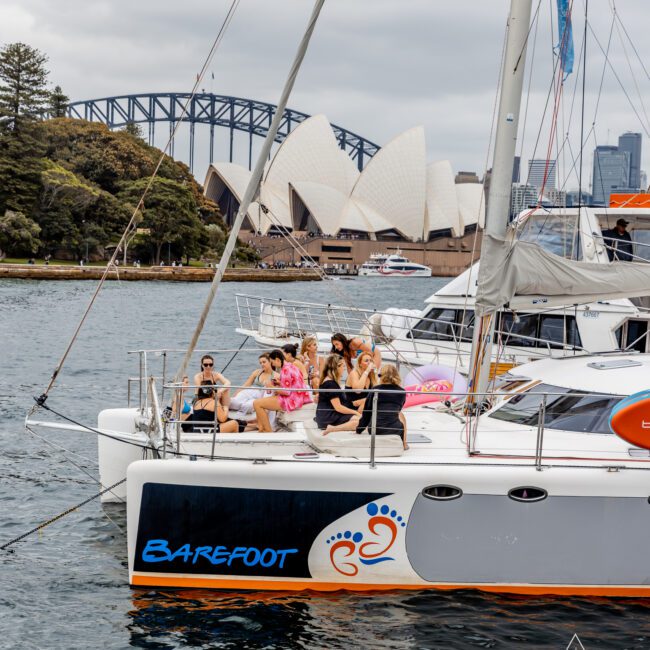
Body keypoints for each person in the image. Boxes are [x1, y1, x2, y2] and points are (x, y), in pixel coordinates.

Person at [253, 349, 312, 432]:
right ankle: (262, 428)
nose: (273, 365)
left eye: (272, 362)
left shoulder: (285, 370)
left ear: (277, 360)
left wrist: (271, 387)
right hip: (298, 397)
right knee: (259, 402)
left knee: (257, 403)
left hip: (291, 400)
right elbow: (292, 385)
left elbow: (287, 392)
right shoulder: (291, 366)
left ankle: (268, 431)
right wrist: (280, 382)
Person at [356, 364, 407, 450]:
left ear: (381, 376)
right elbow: (398, 409)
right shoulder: (402, 392)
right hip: (395, 429)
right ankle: (404, 444)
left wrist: (359, 429)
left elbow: (367, 412)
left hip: (376, 429)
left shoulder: (375, 389)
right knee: (401, 416)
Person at [317, 355, 362, 434]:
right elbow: (338, 407)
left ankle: (334, 427)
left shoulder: (328, 381)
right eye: (343, 366)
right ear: (337, 367)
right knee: (359, 422)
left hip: (326, 415)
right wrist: (355, 413)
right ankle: (333, 428)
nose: (344, 369)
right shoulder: (330, 384)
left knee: (360, 419)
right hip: (329, 417)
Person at [229, 353, 274, 418]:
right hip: (249, 391)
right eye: (260, 363)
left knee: (248, 406)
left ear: (270, 362)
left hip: (259, 396)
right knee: (232, 401)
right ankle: (237, 405)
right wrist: (235, 394)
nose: (262, 364)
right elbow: (246, 385)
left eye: (264, 362)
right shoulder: (257, 372)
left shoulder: (275, 375)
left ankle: (239, 410)